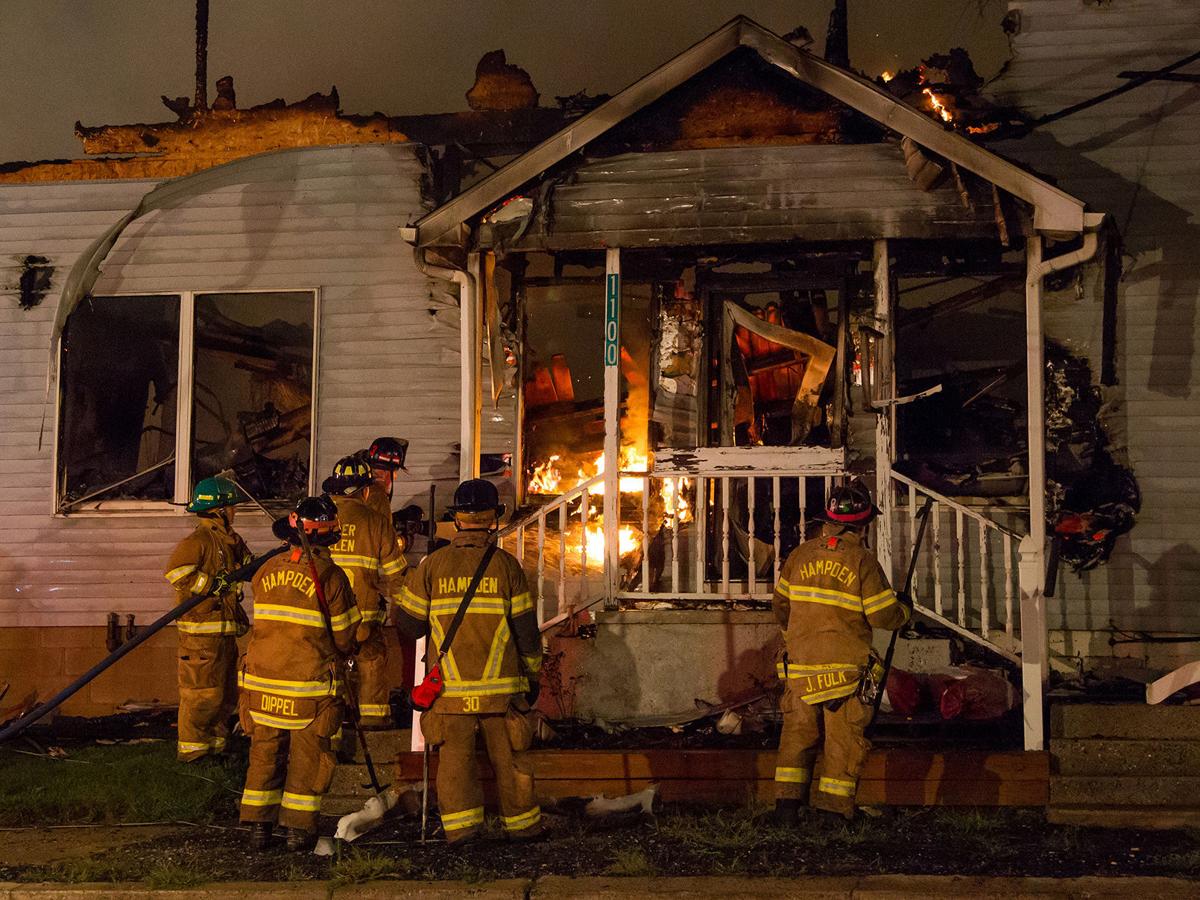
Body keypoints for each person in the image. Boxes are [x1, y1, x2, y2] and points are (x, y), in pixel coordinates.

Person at [396, 478, 544, 844]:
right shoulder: (508, 567)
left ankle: (462, 832)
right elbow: (526, 631)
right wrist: (534, 674)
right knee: (510, 762)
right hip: (501, 693)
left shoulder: (432, 565)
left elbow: (409, 626)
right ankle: (523, 828)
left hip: (449, 692)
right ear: (493, 518)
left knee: (455, 765)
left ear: (457, 519)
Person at [770, 479, 911, 823]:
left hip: (799, 671)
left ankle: (787, 809)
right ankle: (833, 813)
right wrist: (904, 611)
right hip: (844, 676)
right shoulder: (862, 561)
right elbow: (883, 615)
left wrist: (799, 640)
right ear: (863, 525)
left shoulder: (799, 556)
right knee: (842, 741)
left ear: (828, 520)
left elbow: (781, 608)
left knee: (796, 738)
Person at [238, 496, 360, 851]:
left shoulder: (265, 570)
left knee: (264, 753)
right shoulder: (332, 577)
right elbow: (345, 636)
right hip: (308, 688)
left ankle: (258, 828)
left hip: (260, 683)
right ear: (329, 535)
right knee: (308, 757)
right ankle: (297, 830)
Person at [163, 476, 252, 762]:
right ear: (219, 509)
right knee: (202, 696)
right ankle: (193, 753)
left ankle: (215, 748)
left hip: (224, 633)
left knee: (224, 696)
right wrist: (212, 585)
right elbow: (176, 573)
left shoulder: (230, 542)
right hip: (200, 635)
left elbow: (251, 567)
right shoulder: (199, 540)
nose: (235, 512)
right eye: (232, 507)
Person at [323, 455, 409, 728]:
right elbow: (396, 575)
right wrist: (409, 609)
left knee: (329, 665)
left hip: (323, 614)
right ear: (367, 490)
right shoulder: (377, 522)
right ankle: (373, 720)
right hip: (364, 616)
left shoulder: (320, 520)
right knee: (371, 658)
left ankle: (332, 725)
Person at [358, 436, 409, 522]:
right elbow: (382, 534)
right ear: (385, 473)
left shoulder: (356, 490)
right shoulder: (378, 498)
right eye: (394, 472)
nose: (395, 477)